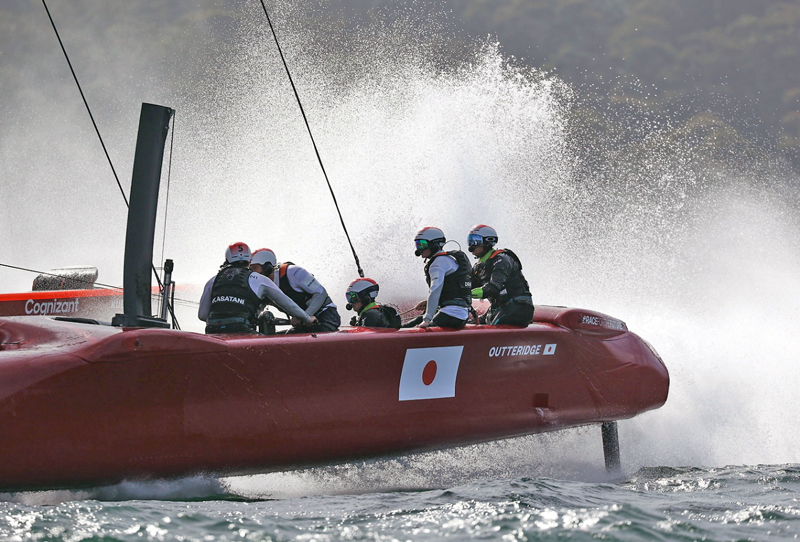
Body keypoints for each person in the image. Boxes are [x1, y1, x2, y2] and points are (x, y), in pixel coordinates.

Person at [198, 242, 314, 334]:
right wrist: (307, 319)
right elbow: (288, 304)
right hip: (242, 332)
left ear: (227, 259)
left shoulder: (213, 280)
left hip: (213, 333)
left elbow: (202, 315)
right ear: (249, 260)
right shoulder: (258, 279)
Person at [254, 248, 341, 333]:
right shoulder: (262, 287)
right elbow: (255, 309)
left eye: (255, 268)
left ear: (267, 267)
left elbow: (321, 293)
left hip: (326, 316)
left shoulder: (293, 271)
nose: (252, 273)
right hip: (304, 324)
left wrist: (304, 316)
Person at [468, 224, 534, 327]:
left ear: (488, 241)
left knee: (492, 329)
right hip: (499, 307)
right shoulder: (478, 266)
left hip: (518, 306)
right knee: (470, 324)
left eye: (475, 240)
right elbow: (468, 285)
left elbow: (493, 288)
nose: (471, 245)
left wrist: (467, 292)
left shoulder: (502, 260)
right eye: (470, 240)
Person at [407, 226, 472, 329]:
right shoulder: (445, 259)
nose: (419, 249)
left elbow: (435, 290)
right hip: (459, 314)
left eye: (422, 244)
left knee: (419, 327)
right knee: (410, 324)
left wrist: (427, 319)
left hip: (452, 314)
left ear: (435, 244)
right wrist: (427, 303)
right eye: (417, 244)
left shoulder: (438, 262)